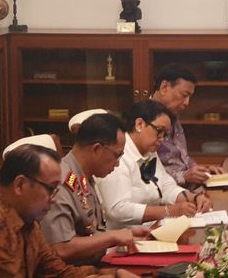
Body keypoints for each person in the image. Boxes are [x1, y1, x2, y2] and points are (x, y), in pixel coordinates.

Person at [0, 144, 137, 277]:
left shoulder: (27, 219)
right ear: (20, 185)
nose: (55, 198)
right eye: (50, 189)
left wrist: (115, 274)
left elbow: (58, 271)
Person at [40, 113, 149, 264]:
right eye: (117, 155)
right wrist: (112, 237)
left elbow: (91, 232)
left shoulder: (83, 175)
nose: (117, 164)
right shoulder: (60, 182)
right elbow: (61, 248)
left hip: (96, 263)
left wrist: (124, 234)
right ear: (97, 149)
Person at [98, 100, 212, 228]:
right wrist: (169, 211)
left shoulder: (149, 150)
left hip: (152, 229)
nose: (162, 139)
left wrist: (194, 198)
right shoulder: (119, 154)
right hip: (123, 238)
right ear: (139, 124)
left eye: (165, 134)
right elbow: (118, 209)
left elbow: (165, 185)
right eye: (159, 131)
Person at [154, 64, 224, 186]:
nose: (187, 103)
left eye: (189, 97)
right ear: (164, 87)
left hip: (186, 187)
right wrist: (184, 176)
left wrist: (202, 170)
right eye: (184, 95)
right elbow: (145, 177)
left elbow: (182, 157)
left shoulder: (172, 114)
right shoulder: (144, 120)